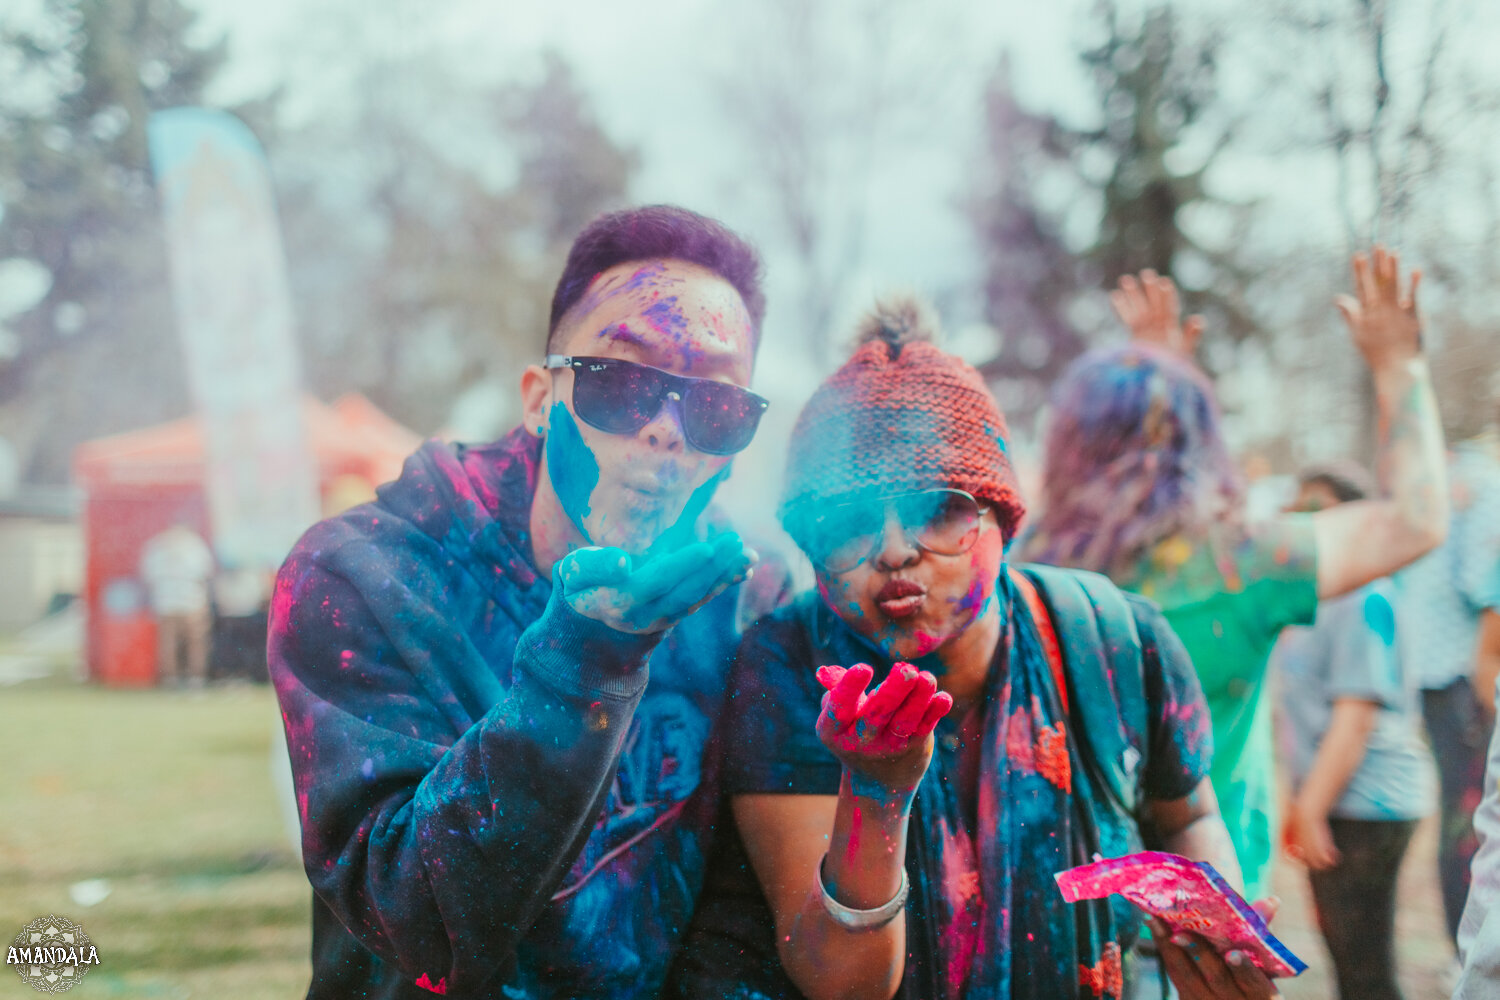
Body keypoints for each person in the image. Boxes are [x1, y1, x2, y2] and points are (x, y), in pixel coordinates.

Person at [671, 298, 1270, 1000]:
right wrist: (875, 794)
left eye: (938, 508)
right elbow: (844, 984)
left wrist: (1211, 944)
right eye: (849, 523)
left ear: (1003, 519)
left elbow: (1186, 814)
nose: (895, 551)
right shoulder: (786, 667)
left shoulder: (1116, 640)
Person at [268, 205, 791, 999]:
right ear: (541, 399)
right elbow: (417, 921)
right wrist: (589, 658)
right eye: (622, 384)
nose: (665, 431)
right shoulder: (365, 577)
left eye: (714, 407)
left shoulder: (744, 599)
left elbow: (743, 905)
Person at [1021, 248, 1448, 901]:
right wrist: (1399, 365)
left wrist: (1148, 389)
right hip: (1210, 905)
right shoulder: (1245, 565)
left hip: (1070, 893)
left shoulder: (1027, 567)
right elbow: (1416, 521)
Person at [1270, 461, 1436, 1000]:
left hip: (1366, 808)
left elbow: (1354, 717)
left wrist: (1311, 809)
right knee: (1348, 962)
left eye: (1317, 507)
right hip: (1338, 801)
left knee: (1365, 970)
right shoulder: (1315, 595)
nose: (1302, 517)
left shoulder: (1366, 596)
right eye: (1298, 505)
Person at [1394, 436, 1500, 957]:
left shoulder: (1434, 477)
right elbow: (1490, 598)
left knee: (1465, 821)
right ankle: (1471, 954)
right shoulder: (1484, 485)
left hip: (1434, 676)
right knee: (1475, 826)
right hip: (1470, 680)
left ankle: (1463, 951)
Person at [140, 520, 215, 688]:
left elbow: (148, 576)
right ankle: (195, 679)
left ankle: (171, 679)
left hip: (166, 602)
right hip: (191, 601)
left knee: (169, 643)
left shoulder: (156, 546)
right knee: (194, 643)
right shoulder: (194, 545)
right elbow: (205, 573)